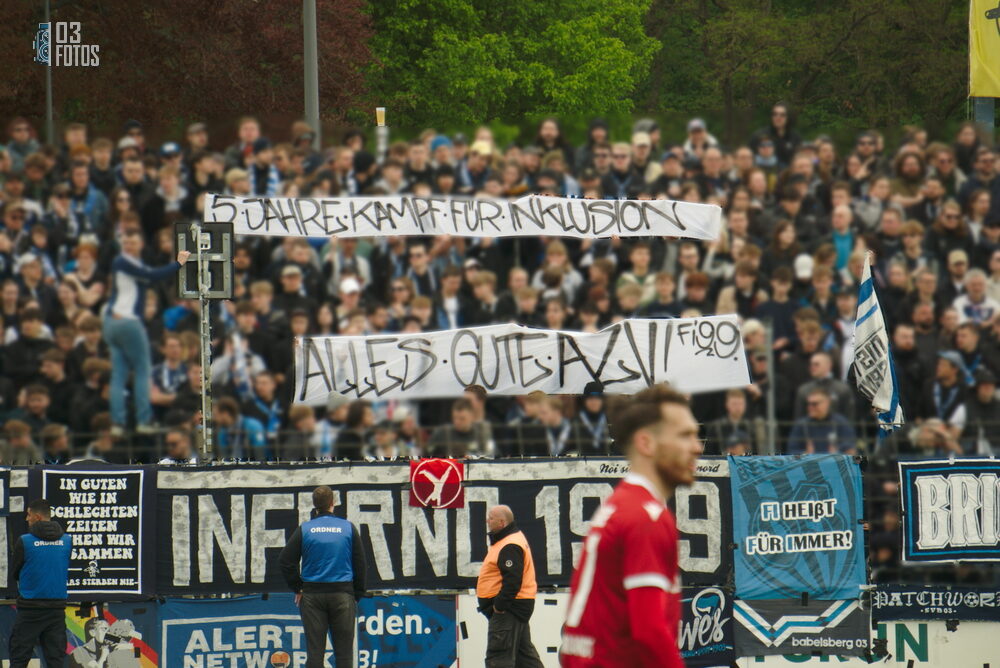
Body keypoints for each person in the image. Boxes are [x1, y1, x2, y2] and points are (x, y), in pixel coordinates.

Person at [561, 384, 700, 668]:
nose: (697, 447)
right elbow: (649, 630)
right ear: (646, 443)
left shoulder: (621, 504)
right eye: (685, 435)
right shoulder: (646, 517)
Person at [104, 229, 190, 432]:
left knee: (119, 373)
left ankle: (118, 423)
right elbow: (152, 276)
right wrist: (178, 264)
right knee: (143, 369)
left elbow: (147, 276)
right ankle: (143, 420)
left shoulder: (130, 264)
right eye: (127, 243)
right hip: (128, 321)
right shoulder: (124, 261)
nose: (129, 247)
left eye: (133, 243)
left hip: (112, 322)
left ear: (141, 245)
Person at [279, 486, 367, 668]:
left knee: (315, 655)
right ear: (333, 503)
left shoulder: (305, 529)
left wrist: (298, 588)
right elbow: (360, 563)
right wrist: (356, 594)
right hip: (342, 595)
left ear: (314, 505)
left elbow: (285, 561)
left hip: (312, 596)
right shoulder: (347, 528)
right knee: (344, 656)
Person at [476, 505, 544, 668]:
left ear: (502, 522)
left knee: (499, 658)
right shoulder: (510, 540)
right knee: (525, 659)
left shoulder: (509, 545)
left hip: (509, 610)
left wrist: (499, 606)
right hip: (515, 608)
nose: (487, 521)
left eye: (491, 518)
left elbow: (513, 580)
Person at [9, 499, 73, 668]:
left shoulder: (25, 541)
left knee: (18, 659)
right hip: (56, 610)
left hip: (30, 609)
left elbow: (15, 572)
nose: (26, 519)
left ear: (37, 517)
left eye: (28, 515)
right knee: (56, 660)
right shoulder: (67, 540)